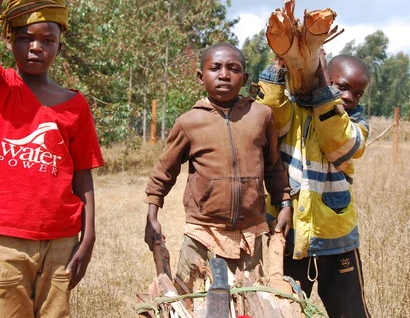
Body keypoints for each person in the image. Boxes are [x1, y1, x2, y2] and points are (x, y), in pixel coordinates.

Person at [0, 0, 104, 318]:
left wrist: (88, 235)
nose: (35, 48)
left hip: (61, 240)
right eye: (26, 37)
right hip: (7, 240)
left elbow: (82, 175)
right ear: (9, 39)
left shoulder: (74, 104)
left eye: (48, 40)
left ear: (60, 45)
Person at [144, 43, 292, 289]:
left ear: (244, 78)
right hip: (202, 230)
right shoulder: (189, 122)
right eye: (215, 68)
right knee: (189, 296)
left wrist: (284, 203)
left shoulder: (261, 116)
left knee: (248, 299)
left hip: (250, 230)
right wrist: (152, 216)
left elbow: (273, 166)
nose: (224, 74)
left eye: (233, 69)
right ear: (201, 77)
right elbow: (164, 172)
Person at [257, 51, 372, 318]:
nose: (349, 97)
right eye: (341, 87)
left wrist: (324, 89)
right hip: (290, 231)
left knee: (350, 311)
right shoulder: (293, 109)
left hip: (336, 235)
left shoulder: (356, 123)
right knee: (285, 308)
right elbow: (270, 115)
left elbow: (338, 142)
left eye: (358, 93)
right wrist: (279, 70)